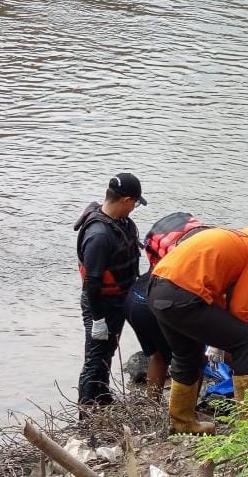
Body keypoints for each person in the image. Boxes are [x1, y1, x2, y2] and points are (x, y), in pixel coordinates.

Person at [147, 207, 248, 435]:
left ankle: (182, 422)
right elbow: (240, 307)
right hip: (183, 296)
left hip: (157, 290)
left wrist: (220, 338)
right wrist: (233, 341)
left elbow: (217, 291)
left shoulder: (240, 236)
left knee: (188, 354)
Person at [74, 173, 146, 413]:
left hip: (118, 300)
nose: (135, 208)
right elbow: (92, 283)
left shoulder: (120, 223)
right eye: (135, 203)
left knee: (107, 351)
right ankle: (85, 415)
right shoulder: (99, 235)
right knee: (95, 359)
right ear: (125, 200)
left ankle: (102, 399)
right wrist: (97, 320)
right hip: (101, 303)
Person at [124, 212, 209, 399]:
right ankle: (188, 411)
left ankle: (152, 406)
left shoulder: (164, 254)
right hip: (153, 306)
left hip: (133, 300)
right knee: (195, 358)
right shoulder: (201, 256)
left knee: (160, 355)